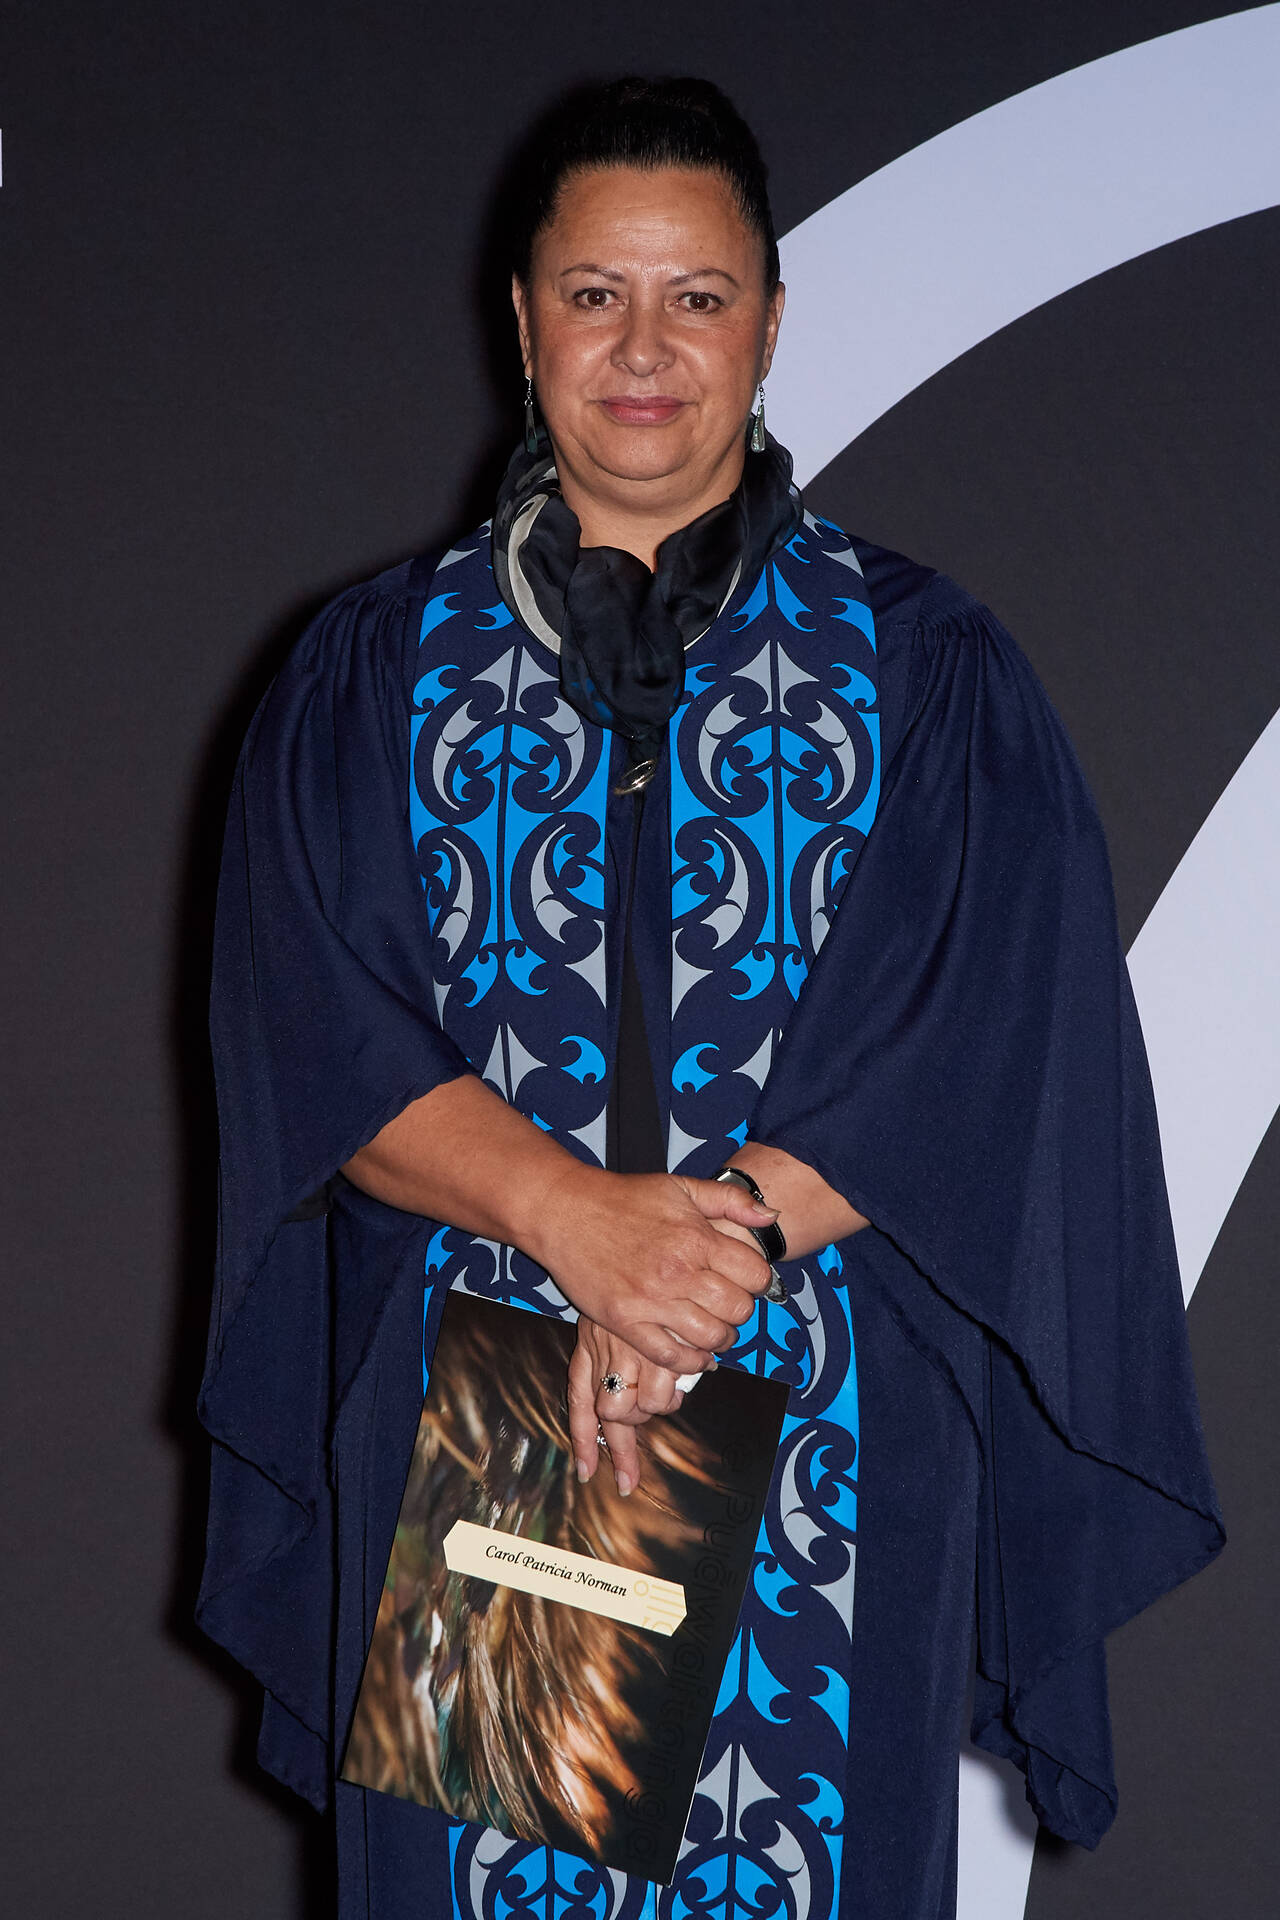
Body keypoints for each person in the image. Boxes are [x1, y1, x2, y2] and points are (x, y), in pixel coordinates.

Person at [197, 76, 1223, 1920]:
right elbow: (316, 1028)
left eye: (698, 296)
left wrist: (705, 1254)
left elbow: (989, 1023)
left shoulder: (923, 669)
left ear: (768, 321)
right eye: (597, 295)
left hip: (828, 1424)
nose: (646, 348)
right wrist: (577, 1225)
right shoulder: (375, 673)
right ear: (524, 321)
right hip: (491, 1440)